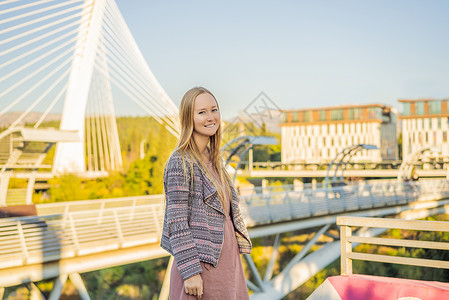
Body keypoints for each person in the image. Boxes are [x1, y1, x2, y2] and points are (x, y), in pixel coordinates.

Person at [160, 87, 252, 299]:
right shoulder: (180, 162)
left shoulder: (215, 161)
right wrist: (191, 272)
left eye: (214, 110)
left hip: (227, 265)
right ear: (188, 118)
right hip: (200, 267)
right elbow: (177, 222)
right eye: (202, 112)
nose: (211, 117)